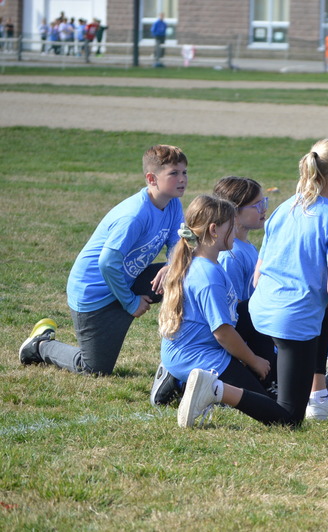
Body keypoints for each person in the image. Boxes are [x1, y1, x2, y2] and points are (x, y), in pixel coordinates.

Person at [19, 145, 187, 376]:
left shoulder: (173, 204)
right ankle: (39, 346)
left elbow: (177, 243)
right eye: (174, 173)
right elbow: (107, 264)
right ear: (151, 178)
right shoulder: (134, 215)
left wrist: (171, 265)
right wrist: (130, 302)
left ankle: (189, 355)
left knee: (187, 275)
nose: (182, 179)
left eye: (184, 172)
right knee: (94, 369)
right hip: (95, 293)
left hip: (128, 279)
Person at [249, 138, 328, 423]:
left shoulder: (284, 207)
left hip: (260, 309)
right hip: (291, 320)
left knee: (325, 306)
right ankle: (217, 391)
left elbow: (258, 274)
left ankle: (316, 393)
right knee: (289, 418)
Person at [159, 195, 291, 429]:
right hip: (198, 356)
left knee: (253, 309)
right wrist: (254, 361)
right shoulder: (206, 275)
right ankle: (206, 387)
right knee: (282, 418)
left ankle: (264, 382)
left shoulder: (207, 262)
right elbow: (223, 333)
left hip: (199, 347)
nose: (236, 231)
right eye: (232, 226)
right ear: (214, 230)